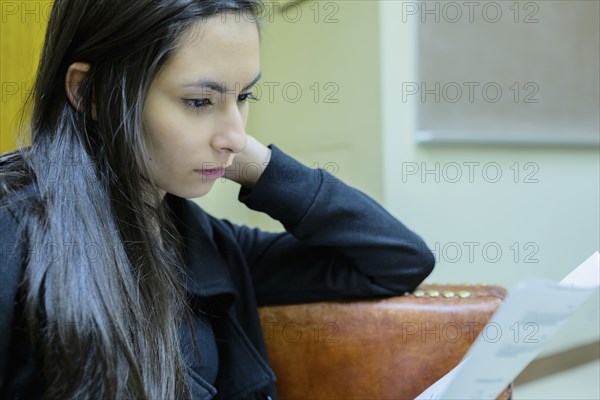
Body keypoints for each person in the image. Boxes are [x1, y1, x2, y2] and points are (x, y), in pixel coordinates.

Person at [0, 0, 435, 399]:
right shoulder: (13, 227)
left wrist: (260, 168)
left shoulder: (205, 244)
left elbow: (396, 260)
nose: (234, 135)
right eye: (198, 101)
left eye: (243, 97)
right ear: (89, 92)